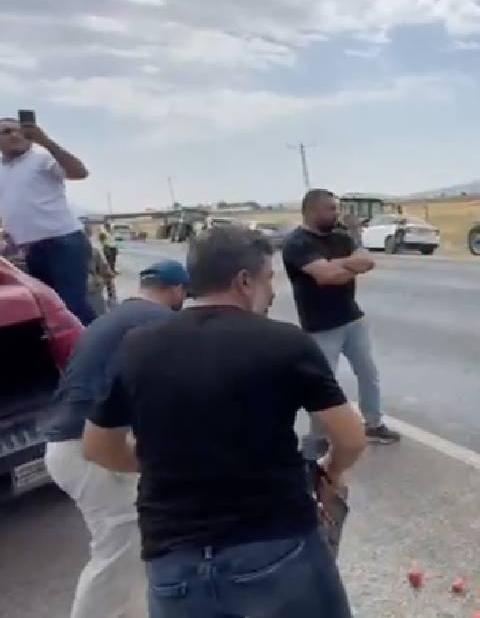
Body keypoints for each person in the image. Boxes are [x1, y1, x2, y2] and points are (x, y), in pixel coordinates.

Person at [81, 227, 367, 618]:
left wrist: (169, 459)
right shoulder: (285, 342)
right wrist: (330, 472)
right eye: (269, 279)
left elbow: (97, 447)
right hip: (275, 542)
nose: (273, 291)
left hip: (173, 558)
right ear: (244, 281)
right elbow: (350, 438)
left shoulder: (136, 345)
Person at [41, 260, 189, 618]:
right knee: (118, 548)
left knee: (136, 539)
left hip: (70, 443)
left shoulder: (111, 318)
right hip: (87, 448)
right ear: (176, 291)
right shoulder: (159, 322)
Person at [282, 189, 401, 449]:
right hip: (320, 326)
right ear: (312, 211)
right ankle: (319, 437)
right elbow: (325, 277)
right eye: (331, 208)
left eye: (336, 208)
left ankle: (373, 424)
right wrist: (348, 266)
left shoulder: (340, 237)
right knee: (322, 384)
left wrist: (337, 266)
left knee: (368, 373)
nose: (337, 213)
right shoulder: (298, 244)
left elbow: (368, 261)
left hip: (352, 319)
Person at [0, 117, 95, 324]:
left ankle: (94, 351)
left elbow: (80, 172)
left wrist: (46, 142)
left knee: (72, 307)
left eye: (20, 130)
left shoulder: (42, 160)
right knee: (48, 309)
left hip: (63, 242)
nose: (15, 135)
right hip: (32, 248)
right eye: (6, 132)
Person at [86, 242, 117, 318]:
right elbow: (107, 274)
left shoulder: (93, 251)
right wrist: (112, 298)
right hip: (92, 291)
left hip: (90, 292)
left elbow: (107, 274)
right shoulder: (93, 251)